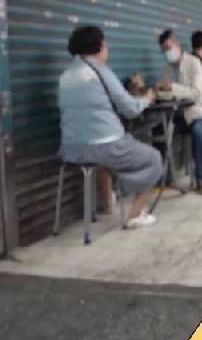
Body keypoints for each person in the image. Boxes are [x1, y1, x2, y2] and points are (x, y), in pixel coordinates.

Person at [58, 25, 162, 228]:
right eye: (105, 43)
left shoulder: (66, 75)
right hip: (104, 147)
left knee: (103, 159)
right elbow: (130, 109)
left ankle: (108, 202)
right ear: (99, 46)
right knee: (153, 158)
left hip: (71, 150)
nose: (107, 47)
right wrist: (147, 99)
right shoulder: (100, 70)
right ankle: (135, 214)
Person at [157, 30, 202, 195]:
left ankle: (200, 179)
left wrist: (172, 88)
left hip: (196, 112)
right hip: (177, 115)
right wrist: (160, 91)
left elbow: (196, 93)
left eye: (169, 47)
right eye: (164, 50)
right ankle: (165, 178)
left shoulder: (194, 63)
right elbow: (164, 93)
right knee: (159, 131)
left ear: (177, 44)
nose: (167, 52)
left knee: (198, 132)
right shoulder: (167, 69)